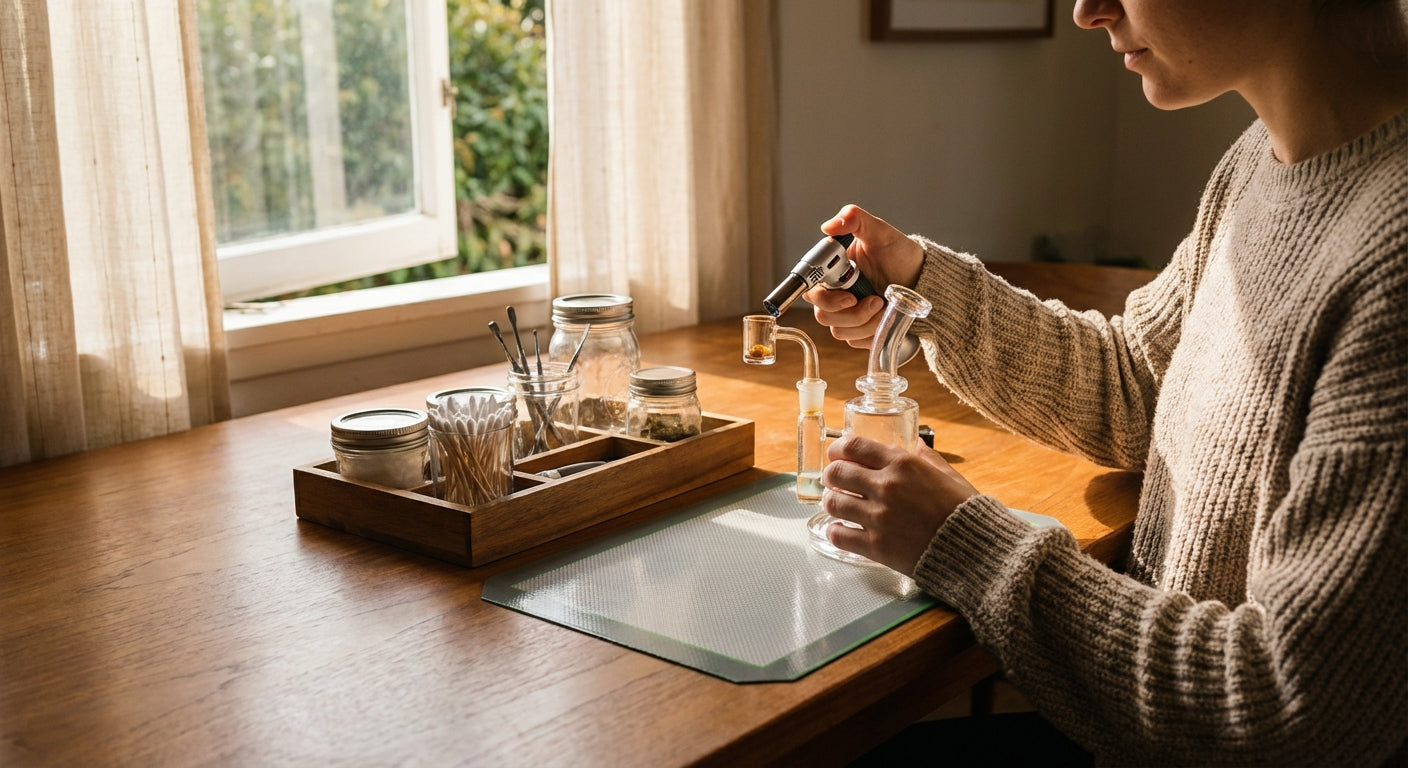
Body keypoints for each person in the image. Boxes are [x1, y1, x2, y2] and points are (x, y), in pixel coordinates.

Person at [805, 0, 1408, 764]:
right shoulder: (1262, 157)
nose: (1087, 11)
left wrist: (963, 542)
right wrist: (929, 289)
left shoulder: (1392, 254)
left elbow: (1291, 708)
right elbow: (1141, 382)